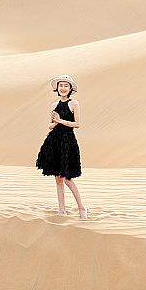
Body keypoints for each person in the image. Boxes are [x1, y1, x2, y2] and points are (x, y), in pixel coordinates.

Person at [35, 75, 88, 219]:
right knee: (58, 178)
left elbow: (77, 124)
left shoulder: (74, 103)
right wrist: (55, 122)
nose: (63, 88)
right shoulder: (54, 105)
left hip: (67, 141)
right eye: (61, 85)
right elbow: (51, 125)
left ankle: (82, 208)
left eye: (66, 85)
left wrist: (61, 121)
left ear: (70, 89)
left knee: (67, 178)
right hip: (54, 141)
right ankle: (61, 210)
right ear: (57, 88)